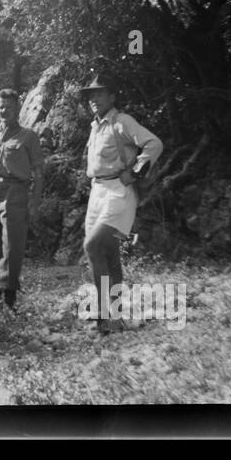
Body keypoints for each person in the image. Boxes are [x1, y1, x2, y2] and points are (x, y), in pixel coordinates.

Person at [79, 72, 163, 334]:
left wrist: (137, 170)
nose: (94, 99)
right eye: (91, 95)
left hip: (119, 192)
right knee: (109, 254)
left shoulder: (121, 121)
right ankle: (115, 316)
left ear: (112, 97)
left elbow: (153, 143)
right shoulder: (95, 126)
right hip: (98, 192)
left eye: (99, 93)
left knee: (93, 245)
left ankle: (106, 316)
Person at [0, 89, 43, 311]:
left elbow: (39, 172)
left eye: (9, 107)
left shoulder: (28, 136)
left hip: (15, 191)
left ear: (17, 109)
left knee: (12, 244)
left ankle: (9, 293)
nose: (4, 111)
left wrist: (34, 202)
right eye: (1, 107)